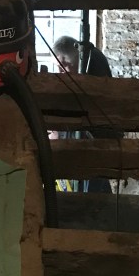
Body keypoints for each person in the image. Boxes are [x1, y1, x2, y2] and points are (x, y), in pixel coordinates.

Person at [52, 35, 114, 193]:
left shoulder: (92, 65)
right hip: (91, 141)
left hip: (95, 141)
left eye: (63, 66)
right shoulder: (87, 59)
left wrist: (60, 134)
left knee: (91, 188)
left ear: (74, 60)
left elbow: (88, 111)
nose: (59, 72)